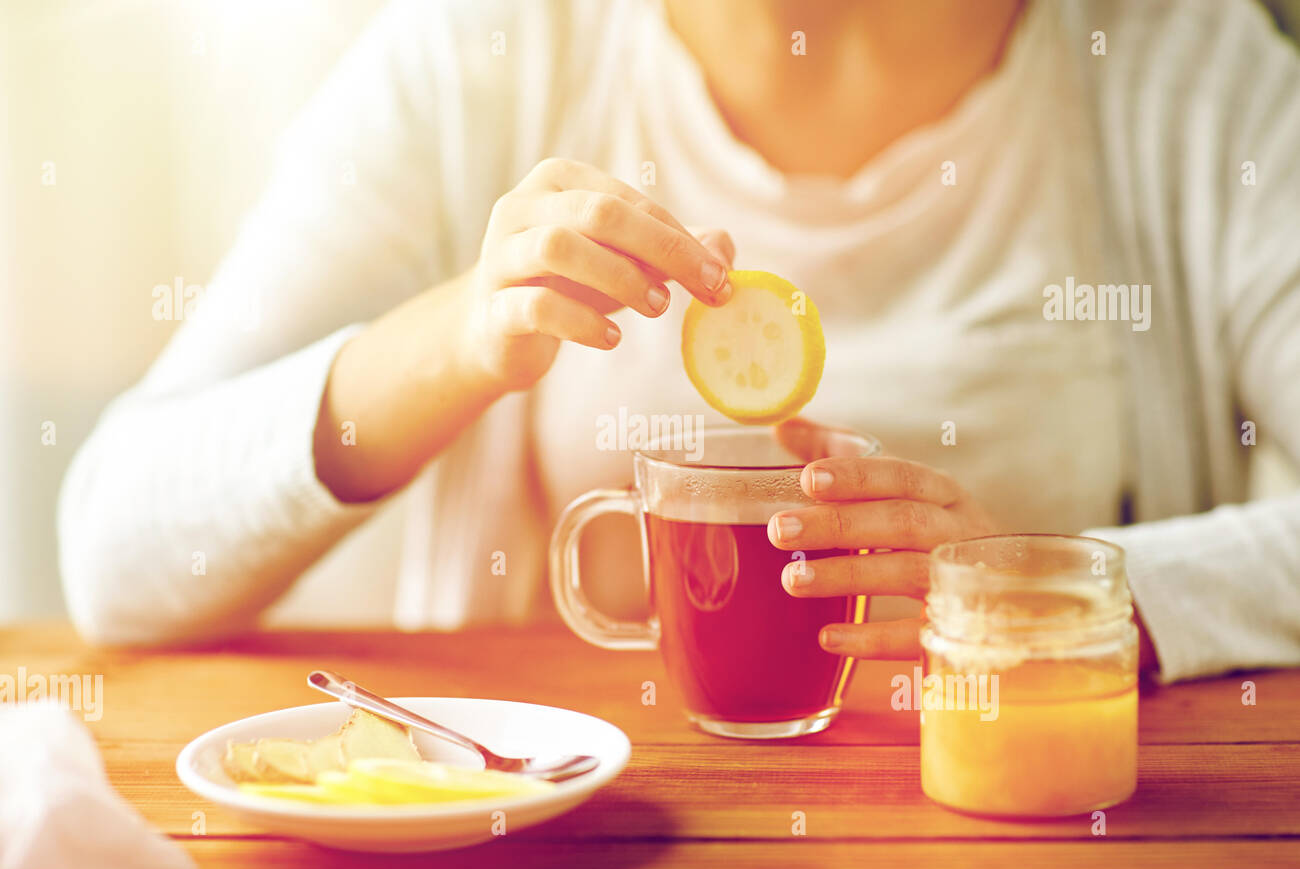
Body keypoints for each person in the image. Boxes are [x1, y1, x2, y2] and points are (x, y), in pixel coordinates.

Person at [59, 0, 1300, 684]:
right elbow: (114, 547)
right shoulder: (490, 51)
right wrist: (465, 332)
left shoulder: (1181, 69)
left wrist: (1062, 594)